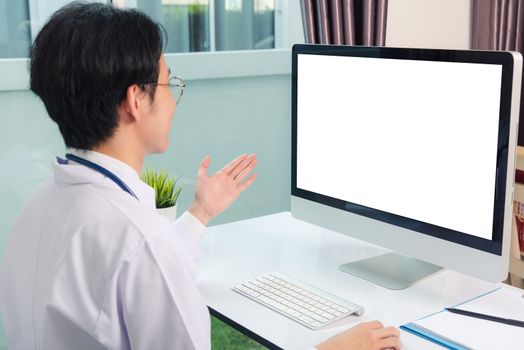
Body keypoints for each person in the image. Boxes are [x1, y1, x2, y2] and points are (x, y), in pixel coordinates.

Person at [0, 2, 401, 350]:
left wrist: (199, 213)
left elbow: (130, 275)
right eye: (168, 82)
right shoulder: (141, 241)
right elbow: (143, 258)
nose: (173, 99)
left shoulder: (43, 203)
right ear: (136, 100)